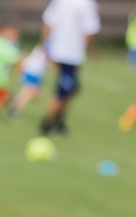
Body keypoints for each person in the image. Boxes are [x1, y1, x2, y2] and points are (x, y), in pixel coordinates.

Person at [37, 0, 99, 135]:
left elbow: (48, 24)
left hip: (58, 51)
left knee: (71, 89)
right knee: (64, 90)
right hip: (71, 54)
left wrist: (46, 46)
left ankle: (59, 122)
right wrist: (91, 50)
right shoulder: (87, 4)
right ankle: (46, 123)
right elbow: (90, 30)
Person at [11, 43, 49, 118]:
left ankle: (16, 99)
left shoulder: (40, 49)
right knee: (29, 94)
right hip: (32, 73)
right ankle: (15, 109)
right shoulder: (45, 50)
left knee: (35, 95)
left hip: (35, 74)